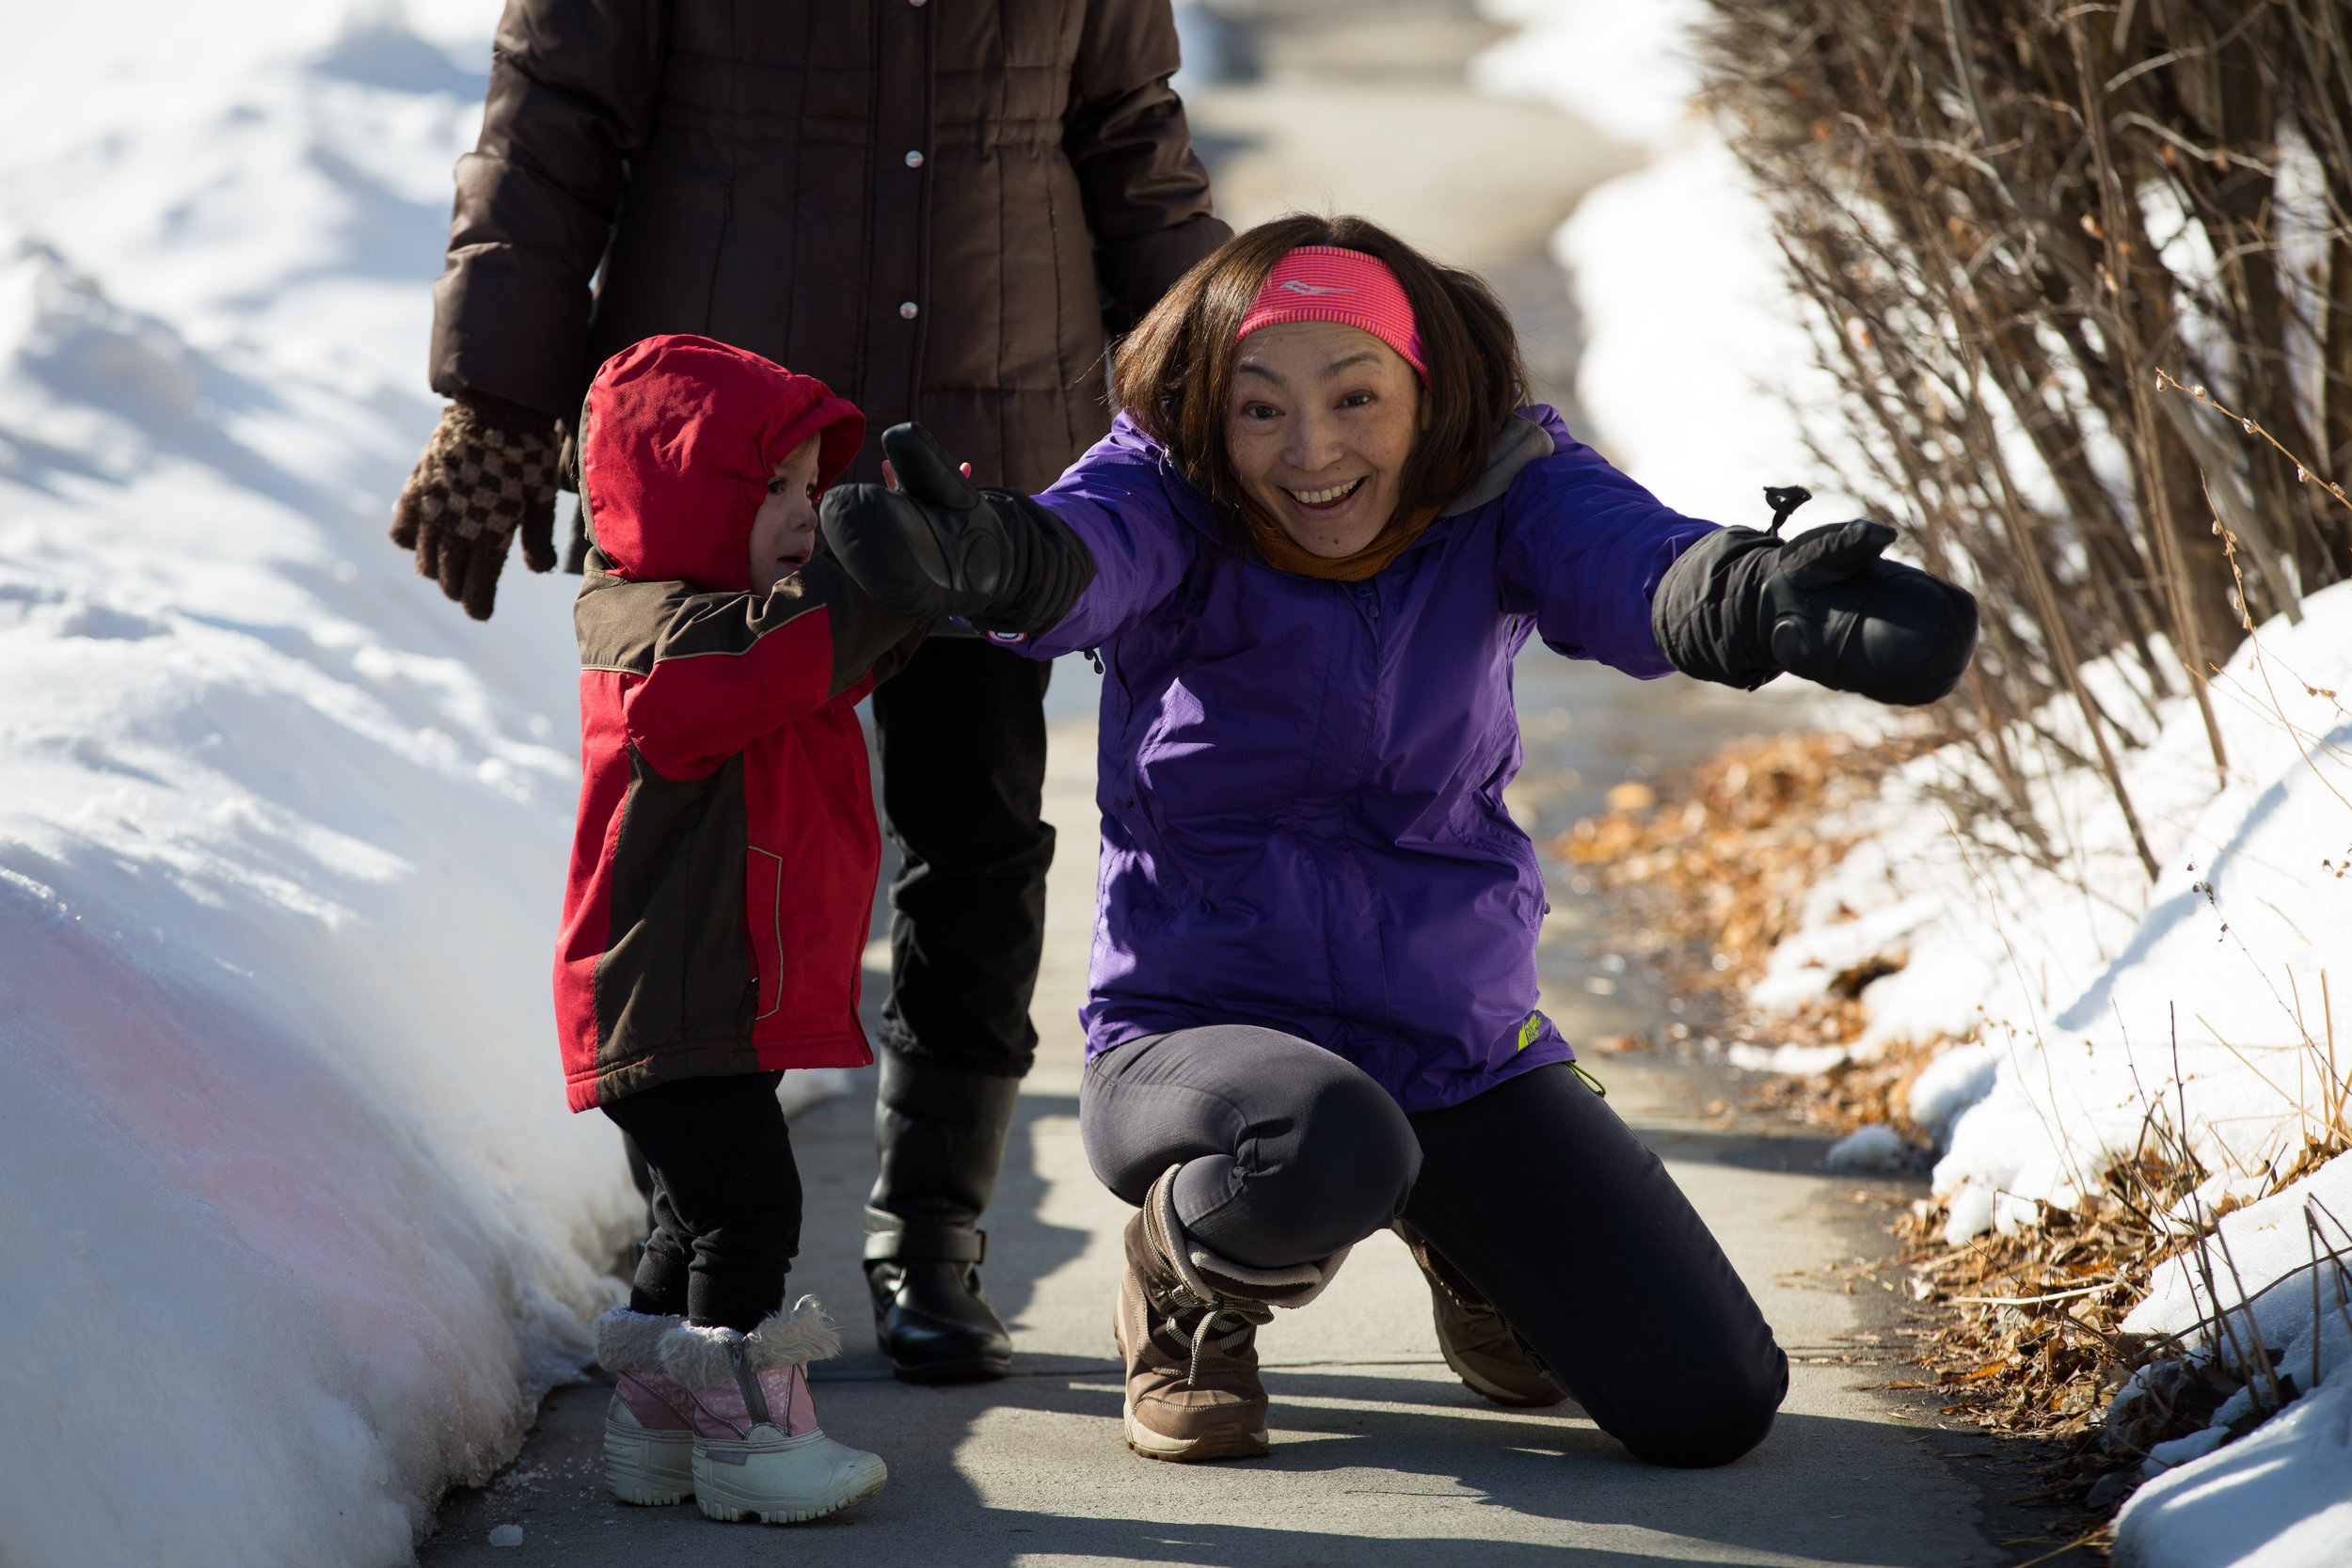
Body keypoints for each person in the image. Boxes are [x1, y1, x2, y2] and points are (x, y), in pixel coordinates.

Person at [818, 214, 1979, 1467]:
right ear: (1214, 413)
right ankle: (1185, 1284)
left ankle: (1464, 1234)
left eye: (1355, 396)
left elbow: (1633, 560)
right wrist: (1001, 557)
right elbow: (1084, 552)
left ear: (1425, 396)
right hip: (1200, 1033)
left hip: (1450, 1036)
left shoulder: (1503, 484)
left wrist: (1753, 596)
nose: (1311, 451)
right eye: (1260, 409)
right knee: (1333, 1141)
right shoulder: (1169, 488)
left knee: (1710, 1401)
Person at [390, 0, 1232, 1386]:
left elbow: (1128, 139)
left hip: (986, 427)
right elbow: (554, 115)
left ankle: (932, 1231)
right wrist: (496, 395)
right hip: (715, 463)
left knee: (977, 834)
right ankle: (699, 1237)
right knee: (707, 848)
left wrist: (1211, 397)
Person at [561, 334, 963, 1524]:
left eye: (810, 487)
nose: (805, 512)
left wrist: (934, 564)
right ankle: (751, 1443)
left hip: (702, 995)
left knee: (689, 1218)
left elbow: (835, 656)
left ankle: (658, 1425)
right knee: (751, 1213)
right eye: (774, 489)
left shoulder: (731, 627)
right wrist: (875, 574)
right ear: (689, 495)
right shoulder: (657, 642)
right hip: (672, 998)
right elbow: (793, 656)